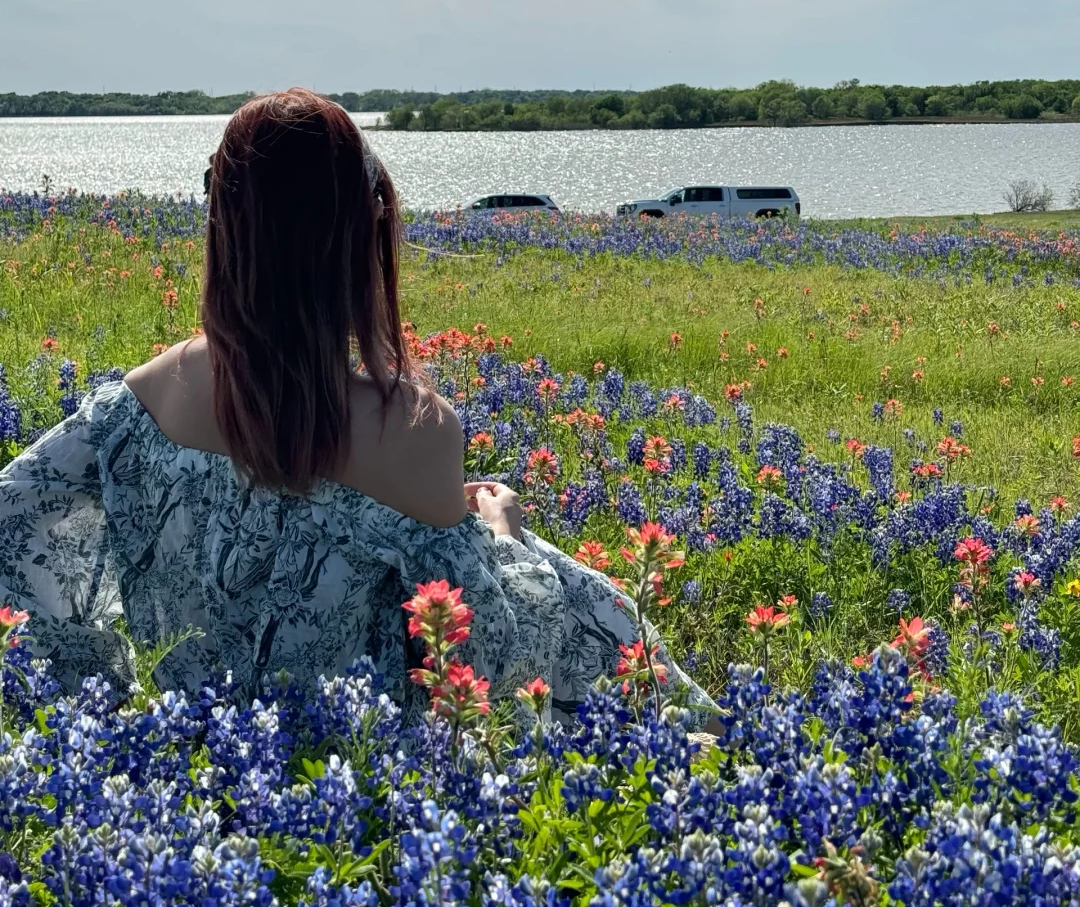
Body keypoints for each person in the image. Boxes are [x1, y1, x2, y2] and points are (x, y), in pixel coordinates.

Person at [0, 89, 712, 726]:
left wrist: (98, 686)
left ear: (226, 232)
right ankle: (701, 739)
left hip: (177, 759)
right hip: (364, 796)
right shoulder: (410, 429)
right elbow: (491, 663)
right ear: (356, 243)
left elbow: (14, 521)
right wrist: (503, 534)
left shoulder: (145, 398)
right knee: (570, 585)